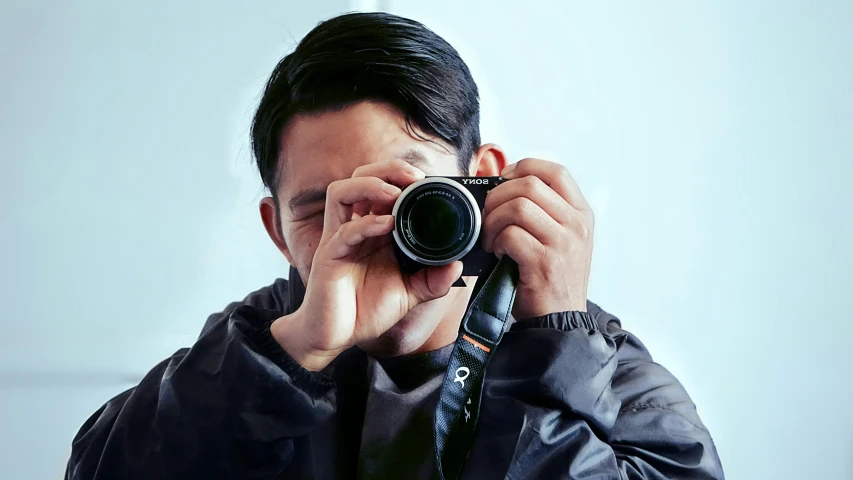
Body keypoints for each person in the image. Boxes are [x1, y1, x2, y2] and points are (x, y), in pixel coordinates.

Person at [65, 12, 724, 480]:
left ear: (482, 183)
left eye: (405, 197)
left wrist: (550, 346)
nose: (364, 232)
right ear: (275, 231)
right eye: (323, 212)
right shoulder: (257, 345)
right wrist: (294, 353)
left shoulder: (600, 371)